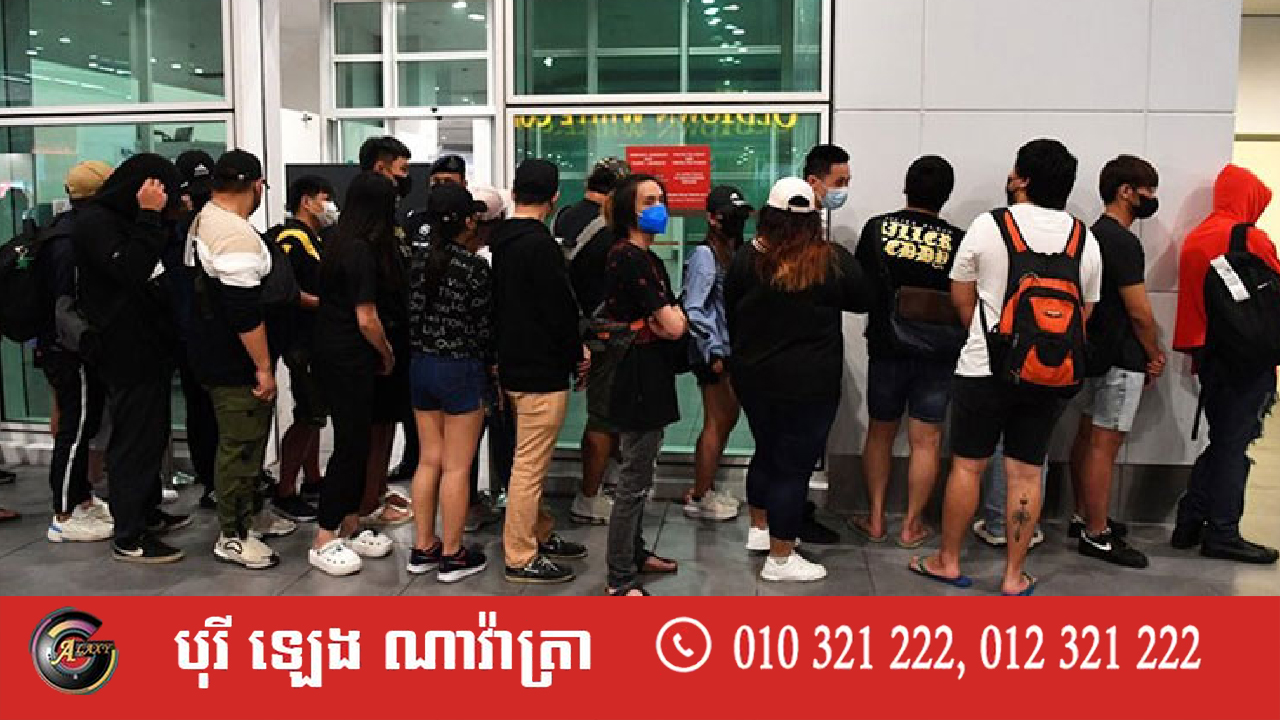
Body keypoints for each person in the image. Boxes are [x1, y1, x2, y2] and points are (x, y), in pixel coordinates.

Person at [912, 139, 1102, 596]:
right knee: (1026, 472)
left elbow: (961, 294)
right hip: (1047, 373)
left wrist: (985, 334)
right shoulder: (1084, 238)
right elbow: (1085, 312)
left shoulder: (990, 225)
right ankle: (1014, 576)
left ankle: (947, 561)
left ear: (1023, 180)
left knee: (968, 467)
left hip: (983, 367)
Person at [726, 177, 873, 582]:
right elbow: (864, 298)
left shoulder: (746, 257)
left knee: (766, 451)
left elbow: (730, 308)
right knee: (793, 468)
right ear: (813, 219)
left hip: (754, 377)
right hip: (810, 383)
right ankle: (780, 558)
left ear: (768, 215)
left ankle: (760, 528)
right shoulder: (829, 259)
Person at [73, 153, 192, 563]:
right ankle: (129, 534)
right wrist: (149, 217)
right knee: (133, 442)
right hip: (125, 349)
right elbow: (130, 269)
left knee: (152, 437)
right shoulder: (96, 223)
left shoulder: (126, 221)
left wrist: (162, 220)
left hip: (151, 346)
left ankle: (146, 511)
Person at [186, 149, 297, 569]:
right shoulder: (233, 235)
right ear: (257, 185)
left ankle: (251, 515)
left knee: (247, 442)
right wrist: (264, 368)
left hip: (221, 356)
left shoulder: (207, 219)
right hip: (236, 364)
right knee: (241, 447)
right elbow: (243, 311)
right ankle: (233, 534)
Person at [851, 156, 964, 548]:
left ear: (906, 186)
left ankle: (876, 519)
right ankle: (911, 526)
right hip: (939, 352)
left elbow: (862, 289)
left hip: (887, 346)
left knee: (880, 432)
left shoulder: (877, 229)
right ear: (946, 195)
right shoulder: (959, 240)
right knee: (926, 440)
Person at [1172, 163, 1280, 564]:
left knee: (1223, 440)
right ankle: (1223, 532)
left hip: (1211, 356)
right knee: (1235, 445)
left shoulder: (1197, 237)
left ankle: (1190, 519)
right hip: (1246, 359)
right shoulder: (1248, 238)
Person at [491, 158, 589, 584]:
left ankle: (539, 530)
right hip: (541, 370)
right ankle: (521, 555)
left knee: (528, 459)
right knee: (530, 467)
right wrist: (576, 354)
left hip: (511, 364)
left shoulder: (499, 241)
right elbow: (559, 311)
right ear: (554, 198)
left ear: (514, 193)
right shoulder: (541, 246)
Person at [1067, 155, 1164, 569]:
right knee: (1103, 447)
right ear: (1126, 191)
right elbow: (1139, 312)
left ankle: (1084, 515)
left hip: (1093, 353)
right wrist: (1154, 354)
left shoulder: (1091, 236)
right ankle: (1097, 533)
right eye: (1148, 191)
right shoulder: (1123, 242)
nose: (1151, 199)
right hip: (1122, 357)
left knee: (1086, 438)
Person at [595, 175, 686, 596]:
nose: (659, 207)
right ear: (629, 209)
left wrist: (667, 321)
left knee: (642, 470)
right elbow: (674, 324)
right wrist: (667, 321)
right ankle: (620, 578)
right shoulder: (627, 256)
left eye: (661, 199)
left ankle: (634, 553)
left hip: (651, 368)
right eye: (649, 201)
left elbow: (672, 321)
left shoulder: (648, 258)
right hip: (635, 373)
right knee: (633, 478)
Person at [309, 172, 402, 576]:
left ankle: (349, 522)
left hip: (333, 351)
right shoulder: (360, 251)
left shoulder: (336, 241)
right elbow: (367, 317)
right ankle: (325, 534)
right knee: (350, 444)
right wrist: (386, 352)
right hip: (349, 356)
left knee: (358, 441)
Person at [405, 183, 492, 583]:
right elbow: (483, 326)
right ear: (469, 221)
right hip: (460, 368)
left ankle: (423, 546)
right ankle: (453, 553)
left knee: (429, 459)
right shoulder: (474, 267)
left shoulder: (416, 262)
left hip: (421, 365)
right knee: (457, 466)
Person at [39, 161, 113, 543]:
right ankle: (64, 513)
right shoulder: (72, 241)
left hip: (65, 346)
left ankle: (81, 498)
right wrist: (86, 342)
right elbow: (66, 303)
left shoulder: (62, 230)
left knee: (84, 424)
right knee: (75, 428)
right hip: (69, 350)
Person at [558, 157, 631, 525]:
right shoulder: (611, 227)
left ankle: (604, 481)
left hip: (575, 326)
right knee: (603, 415)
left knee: (606, 411)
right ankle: (588, 496)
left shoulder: (565, 217)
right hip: (604, 331)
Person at [268, 175, 338, 523]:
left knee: (315, 411)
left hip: (317, 337)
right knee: (308, 414)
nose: (330, 206)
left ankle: (313, 478)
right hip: (301, 340)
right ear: (306, 201)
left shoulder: (315, 238)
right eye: (325, 198)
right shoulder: (290, 239)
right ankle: (285, 490)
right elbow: (287, 291)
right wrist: (327, 306)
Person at [682, 185, 752, 522]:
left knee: (726, 419)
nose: (737, 222)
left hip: (729, 348)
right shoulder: (705, 256)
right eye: (730, 216)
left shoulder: (733, 252)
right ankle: (700, 494)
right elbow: (694, 307)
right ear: (712, 218)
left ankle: (705, 488)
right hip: (714, 352)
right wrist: (712, 349)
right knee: (716, 420)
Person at [358, 137, 415, 525]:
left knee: (387, 424)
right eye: (402, 170)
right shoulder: (365, 233)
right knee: (373, 429)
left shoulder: (390, 224)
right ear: (380, 169)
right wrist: (383, 349)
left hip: (395, 337)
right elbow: (367, 307)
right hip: (375, 345)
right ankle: (365, 504)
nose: (405, 179)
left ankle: (377, 490)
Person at [464, 186, 514, 532]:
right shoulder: (491, 262)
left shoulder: (440, 259)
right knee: (500, 430)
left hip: (454, 362)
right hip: (489, 361)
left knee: (460, 443)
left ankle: (467, 505)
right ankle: (507, 497)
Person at [172, 150, 220, 510]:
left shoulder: (213, 225)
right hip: (194, 332)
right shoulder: (176, 231)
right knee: (205, 412)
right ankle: (212, 479)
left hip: (205, 330)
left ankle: (218, 478)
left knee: (211, 411)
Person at [804, 144, 852, 212]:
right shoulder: (795, 217)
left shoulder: (814, 215)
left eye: (847, 182)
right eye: (839, 183)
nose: (844, 189)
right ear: (813, 181)